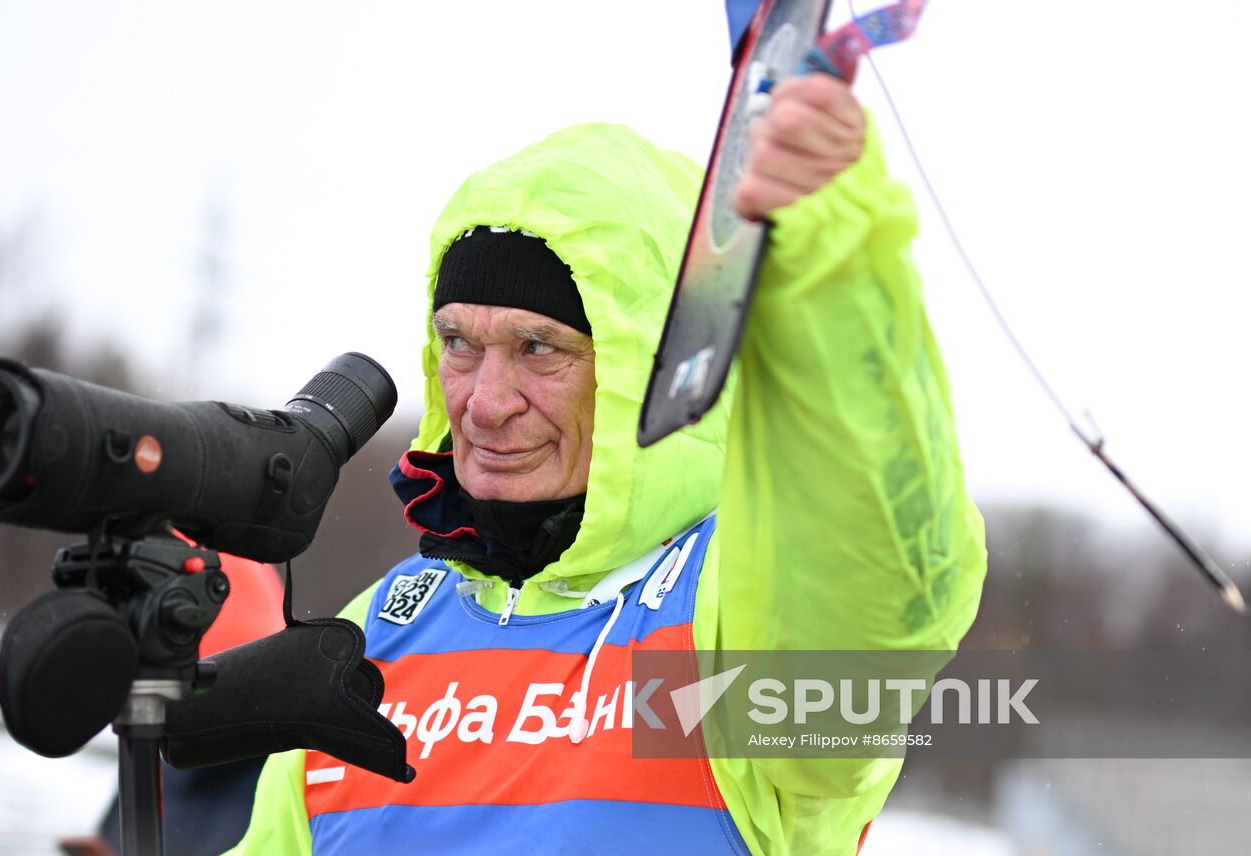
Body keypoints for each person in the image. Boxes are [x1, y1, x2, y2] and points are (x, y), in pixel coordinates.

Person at [228, 73, 987, 855]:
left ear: (644, 370)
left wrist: (839, 261)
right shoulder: (378, 632)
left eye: (538, 348)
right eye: (459, 343)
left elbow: (876, 557)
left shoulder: (726, 616)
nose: (485, 404)